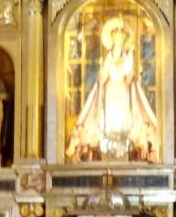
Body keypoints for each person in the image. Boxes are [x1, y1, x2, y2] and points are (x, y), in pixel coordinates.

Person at [66, 16, 159, 162]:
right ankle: (108, 140)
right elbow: (102, 78)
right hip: (110, 94)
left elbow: (130, 79)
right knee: (109, 120)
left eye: (121, 41)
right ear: (112, 42)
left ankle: (125, 140)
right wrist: (106, 73)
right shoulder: (109, 58)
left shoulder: (127, 58)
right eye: (116, 41)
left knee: (124, 121)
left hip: (123, 93)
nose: (119, 44)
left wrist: (130, 67)